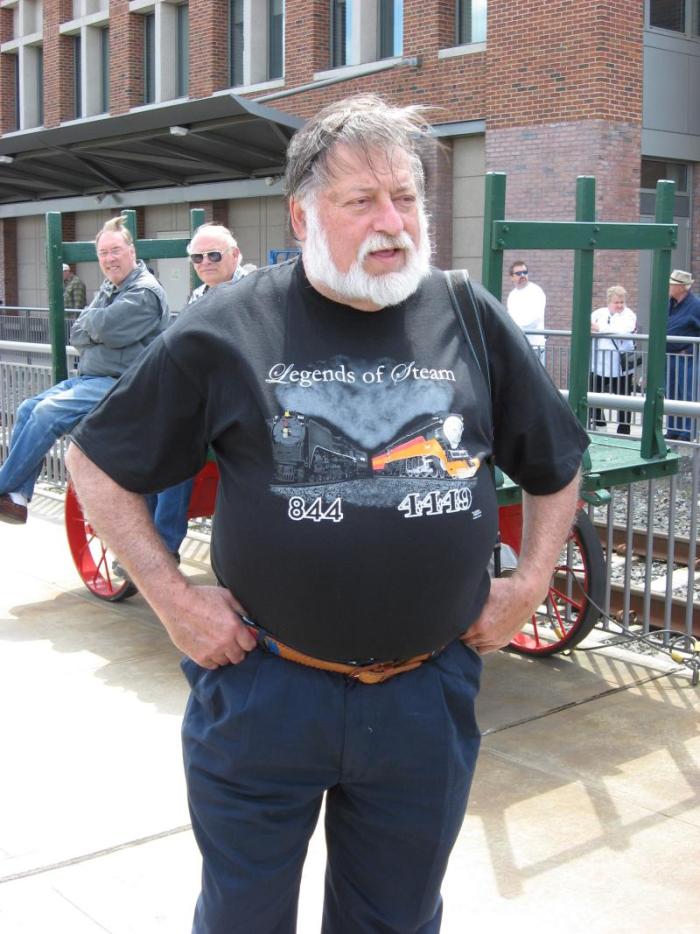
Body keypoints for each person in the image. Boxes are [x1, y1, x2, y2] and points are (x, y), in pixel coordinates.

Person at [66, 96, 588, 933]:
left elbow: (558, 465)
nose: (393, 223)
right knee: (243, 920)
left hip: (424, 700)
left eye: (408, 198)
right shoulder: (229, 325)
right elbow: (97, 462)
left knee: (397, 921)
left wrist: (530, 582)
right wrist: (172, 600)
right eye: (363, 202)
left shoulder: (470, 315)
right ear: (304, 213)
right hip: (266, 691)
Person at [0, 216, 169, 525]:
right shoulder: (110, 287)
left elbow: (105, 328)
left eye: (115, 250)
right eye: (103, 253)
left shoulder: (144, 293)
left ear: (132, 251)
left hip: (123, 385)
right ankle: (17, 498)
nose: (109, 259)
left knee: (46, 413)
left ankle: (1, 487)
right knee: (27, 408)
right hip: (91, 379)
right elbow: (77, 332)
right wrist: (96, 329)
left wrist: (94, 328)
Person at [149, 224, 255, 560]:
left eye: (213, 255)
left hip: (243, 401)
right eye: (197, 257)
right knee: (155, 441)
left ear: (235, 255)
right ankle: (151, 538)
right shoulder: (200, 296)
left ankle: (163, 546)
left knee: (177, 444)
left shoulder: (252, 290)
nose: (205, 262)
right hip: (207, 397)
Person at [590, 285, 637, 434]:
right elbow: (588, 326)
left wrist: (599, 328)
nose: (620, 305)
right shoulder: (598, 313)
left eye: (622, 302)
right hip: (599, 363)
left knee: (624, 398)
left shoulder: (629, 315)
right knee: (593, 393)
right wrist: (597, 328)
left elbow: (623, 330)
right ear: (608, 301)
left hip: (621, 365)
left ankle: (624, 430)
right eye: (616, 302)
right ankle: (600, 424)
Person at [666, 269, 700, 441]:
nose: (669, 287)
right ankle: (673, 429)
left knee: (686, 393)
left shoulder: (695, 305)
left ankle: (688, 431)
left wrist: (692, 349)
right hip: (670, 356)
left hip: (686, 357)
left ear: (682, 287)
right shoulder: (670, 303)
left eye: (672, 284)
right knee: (671, 393)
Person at [506, 259, 547, 363]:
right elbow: (510, 317)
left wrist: (514, 329)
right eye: (519, 273)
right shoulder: (512, 295)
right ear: (512, 277)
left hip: (534, 347)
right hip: (517, 345)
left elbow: (535, 318)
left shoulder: (536, 291)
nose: (523, 275)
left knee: (535, 379)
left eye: (525, 272)